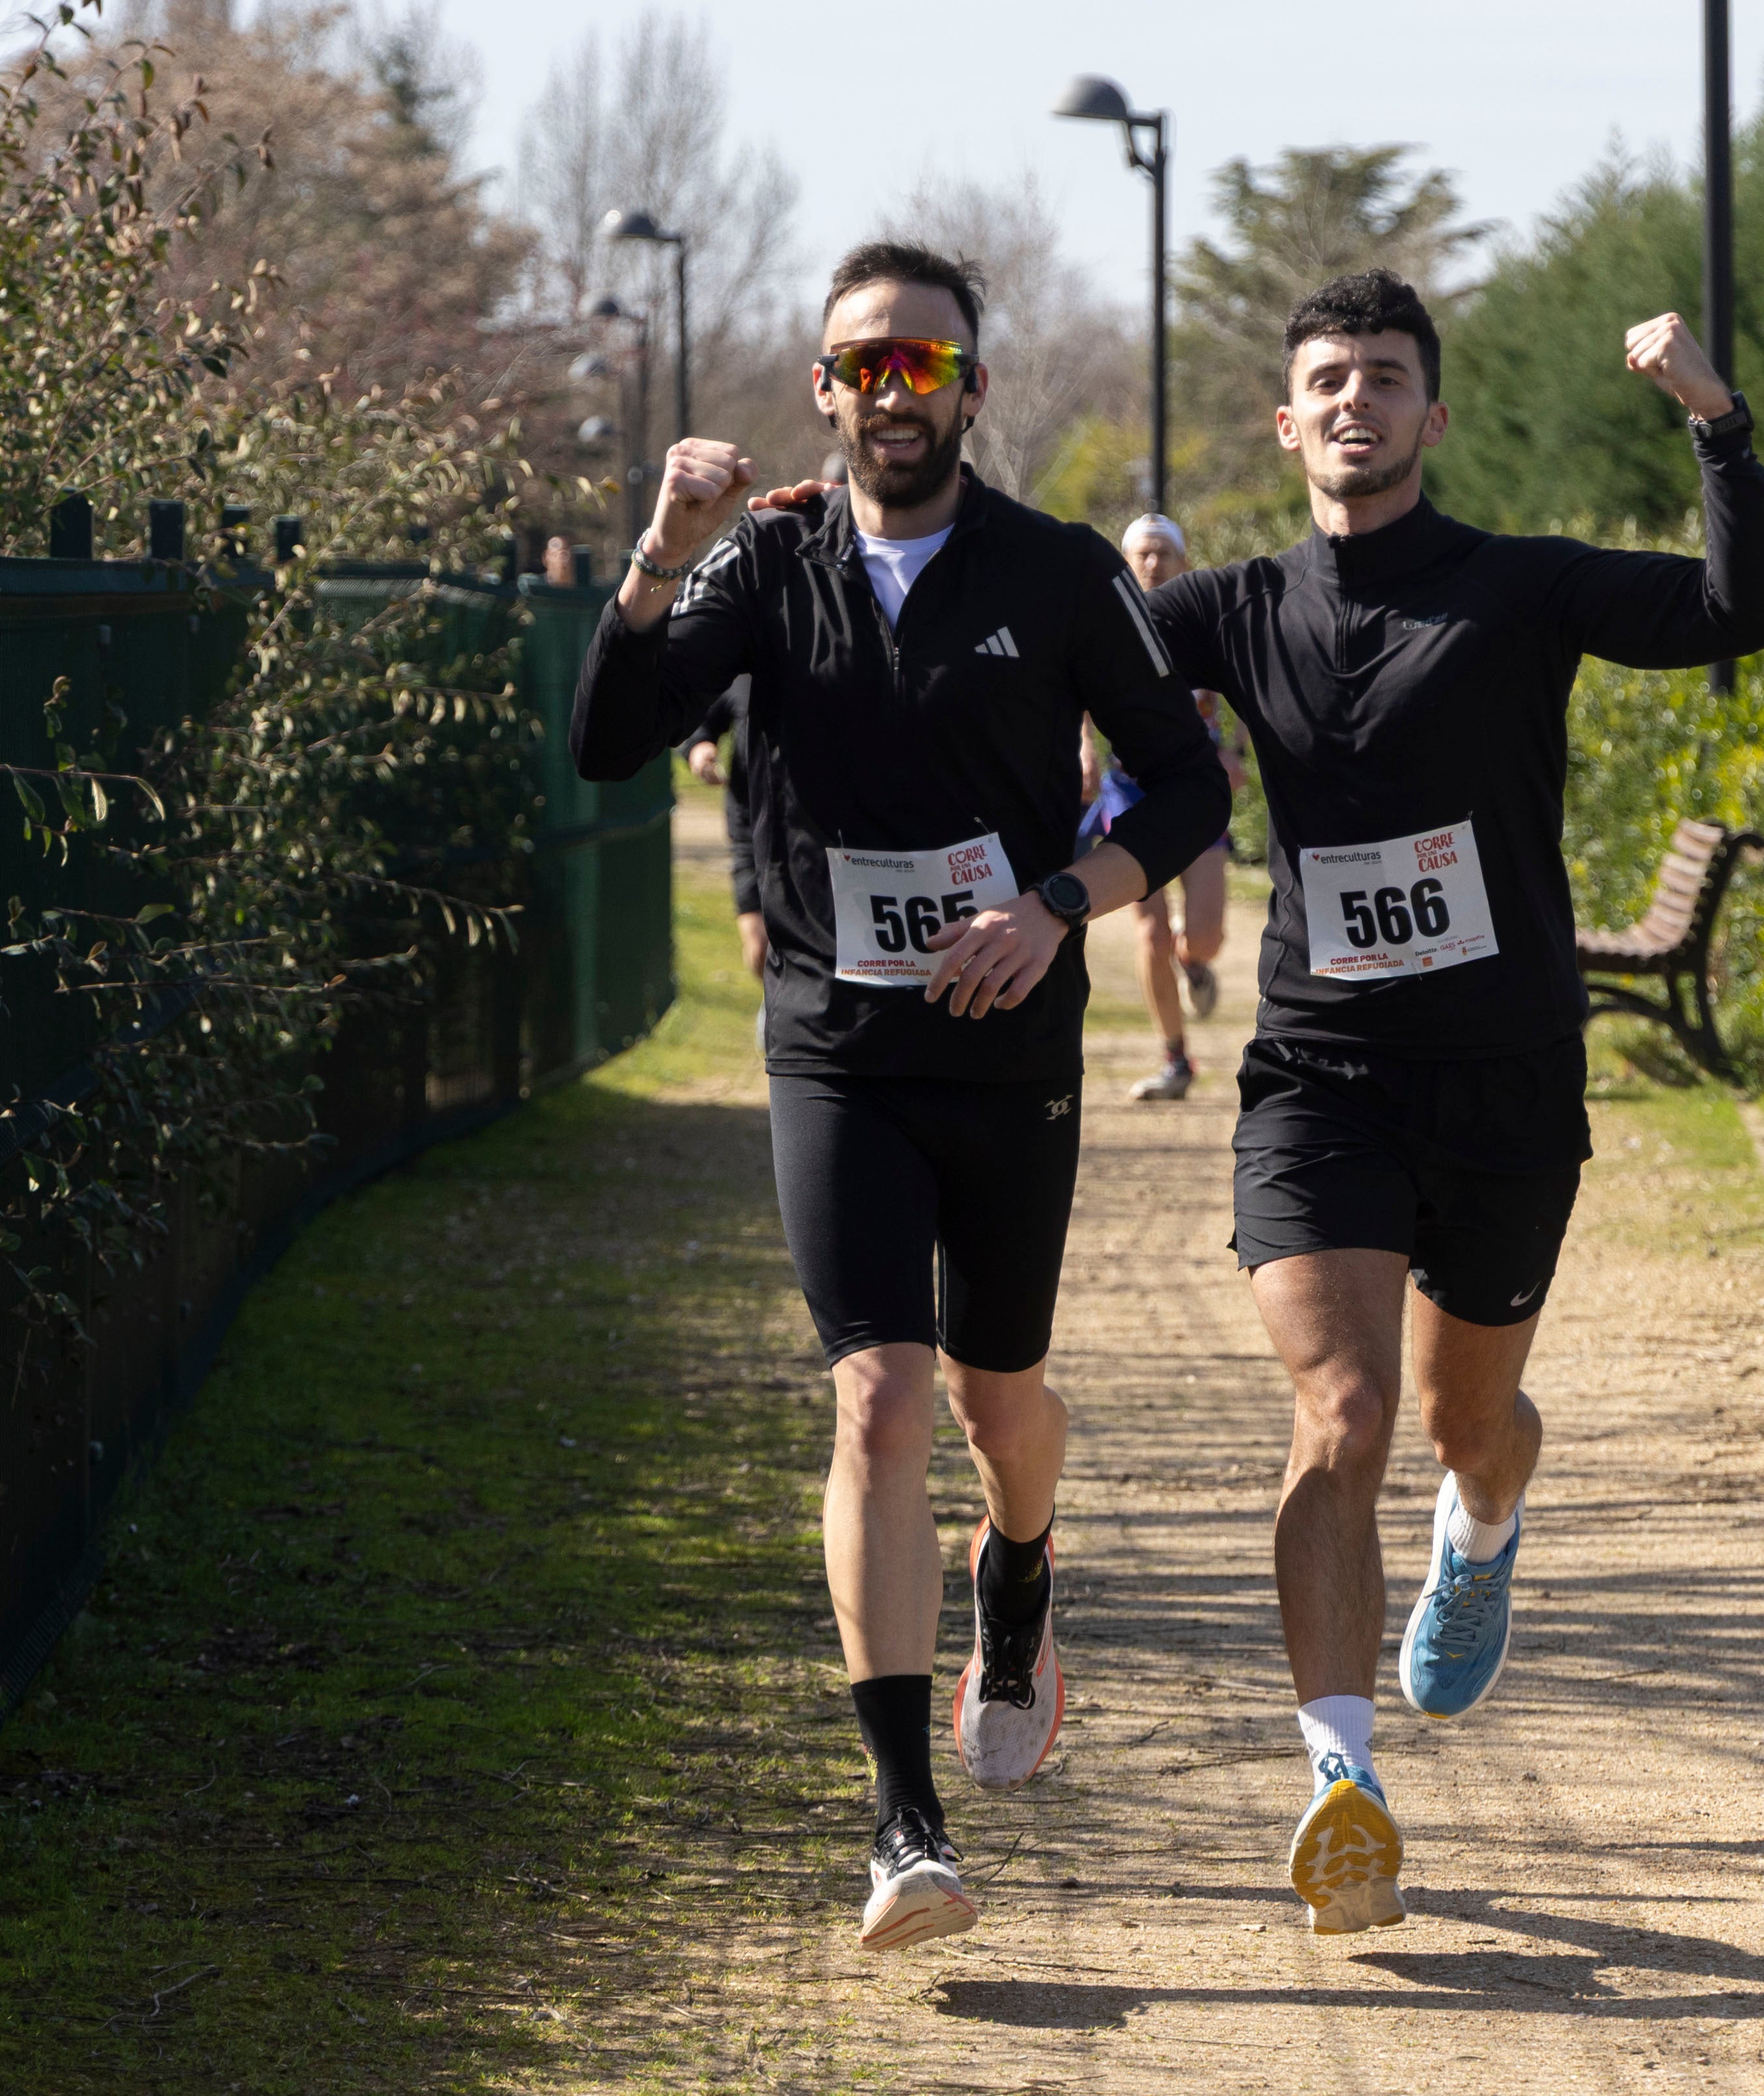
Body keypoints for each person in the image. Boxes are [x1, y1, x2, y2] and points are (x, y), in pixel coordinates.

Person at [569, 242, 1229, 1953]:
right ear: (822, 387)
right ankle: (901, 1823)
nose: (890, 392)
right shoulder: (767, 561)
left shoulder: (1057, 572)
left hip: (1006, 1052)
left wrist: (1058, 905)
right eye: (861, 365)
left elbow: (1185, 780)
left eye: (921, 365)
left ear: (970, 389)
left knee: (998, 1399)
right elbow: (605, 737)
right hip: (835, 1043)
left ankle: (1022, 1575)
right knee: (877, 1398)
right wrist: (658, 553)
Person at [1142, 271, 1764, 1934]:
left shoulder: (1513, 589)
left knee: (1459, 1424)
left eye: (1385, 377)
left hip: (1501, 1075)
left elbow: (1736, 613)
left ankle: (1485, 1521)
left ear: (1431, 416)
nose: (1354, 400)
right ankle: (1340, 1778)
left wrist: (1715, 425)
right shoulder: (1226, 608)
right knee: (1338, 1415)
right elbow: (1005, 657)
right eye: (1325, 380)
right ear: (1284, 424)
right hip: (1321, 1074)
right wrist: (828, 531)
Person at [1079, 515, 1246, 1101]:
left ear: (1183, 559)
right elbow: (1072, 686)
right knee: (1147, 933)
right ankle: (1175, 1058)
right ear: (1126, 561)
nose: (1152, 563)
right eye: (1141, 554)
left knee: (1204, 937)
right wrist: (1084, 754)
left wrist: (1234, 751)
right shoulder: (1105, 621)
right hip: (1130, 789)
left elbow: (1244, 691)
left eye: (1162, 553)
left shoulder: (1207, 621)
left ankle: (1192, 960)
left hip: (1197, 789)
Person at [679, 675, 767, 976]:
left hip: (821, 840)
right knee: (760, 947)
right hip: (753, 833)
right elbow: (698, 719)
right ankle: (771, 1011)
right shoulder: (744, 669)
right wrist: (700, 748)